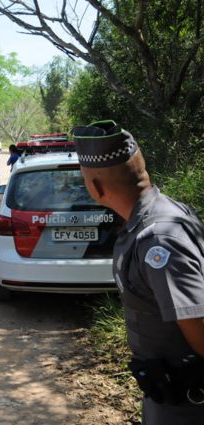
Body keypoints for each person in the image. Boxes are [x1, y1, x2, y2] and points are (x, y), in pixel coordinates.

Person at [72, 120, 204, 425]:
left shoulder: (159, 239)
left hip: (187, 406)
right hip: (168, 396)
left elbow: (198, 323)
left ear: (96, 186)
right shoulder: (156, 218)